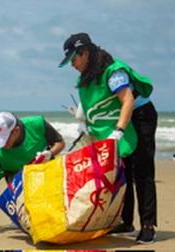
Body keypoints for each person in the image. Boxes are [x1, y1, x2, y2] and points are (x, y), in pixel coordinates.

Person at [58, 33, 157, 244]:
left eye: (73, 59)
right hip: (118, 118)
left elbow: (128, 100)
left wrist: (119, 131)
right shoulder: (86, 77)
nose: (72, 65)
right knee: (122, 170)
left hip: (140, 115)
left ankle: (148, 225)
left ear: (84, 53)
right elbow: (91, 107)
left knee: (142, 171)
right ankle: (126, 221)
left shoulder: (113, 72)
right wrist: (84, 124)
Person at [0, 112, 65, 233]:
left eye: (4, 140)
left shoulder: (37, 124)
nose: (1, 145)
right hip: (16, 179)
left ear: (16, 131)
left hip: (44, 171)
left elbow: (60, 143)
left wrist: (50, 153)